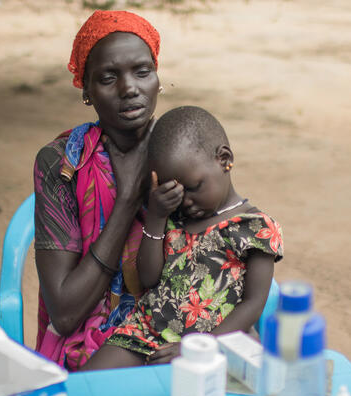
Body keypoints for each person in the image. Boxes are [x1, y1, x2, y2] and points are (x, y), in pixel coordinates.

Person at [81, 106, 284, 370]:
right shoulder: (175, 219)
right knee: (86, 385)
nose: (185, 201)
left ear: (224, 159)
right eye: (174, 190)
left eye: (193, 187)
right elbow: (148, 277)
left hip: (210, 348)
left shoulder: (255, 228)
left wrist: (202, 347)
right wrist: (156, 216)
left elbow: (253, 304)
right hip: (142, 335)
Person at [33, 10, 162, 370]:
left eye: (142, 71)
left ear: (157, 77)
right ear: (87, 90)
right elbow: (65, 311)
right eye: (108, 77)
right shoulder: (63, 164)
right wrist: (128, 200)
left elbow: (219, 248)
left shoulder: (183, 148)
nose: (129, 88)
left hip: (175, 322)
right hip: (92, 341)